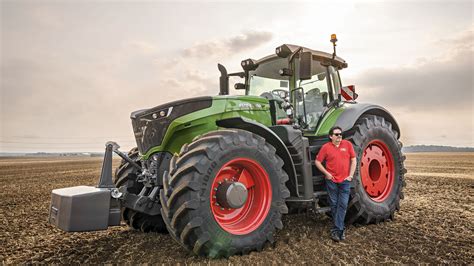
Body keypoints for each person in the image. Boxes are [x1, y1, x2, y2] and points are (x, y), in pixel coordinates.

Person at [315, 126, 357, 242]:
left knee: (343, 205)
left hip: (345, 181)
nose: (339, 136)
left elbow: (353, 159)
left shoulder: (347, 145)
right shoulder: (326, 147)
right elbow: (317, 162)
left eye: (340, 134)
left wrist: (351, 175)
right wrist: (326, 173)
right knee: (334, 205)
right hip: (331, 181)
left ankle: (337, 230)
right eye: (337, 134)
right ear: (330, 136)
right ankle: (340, 229)